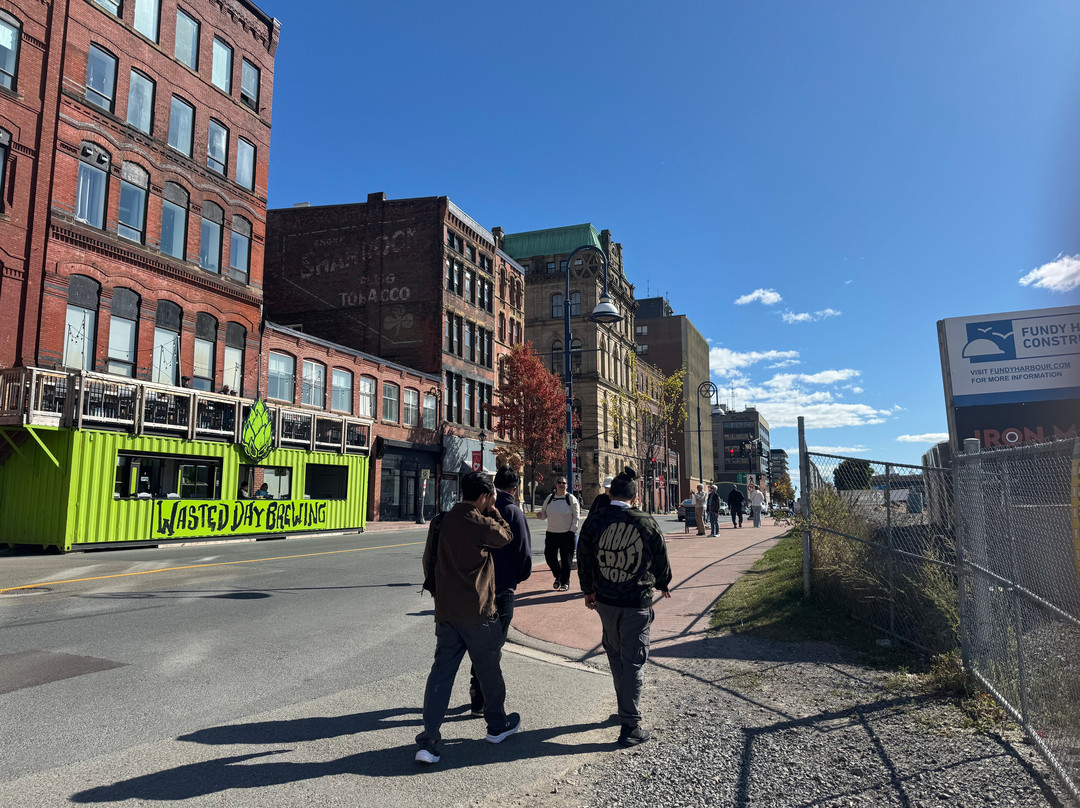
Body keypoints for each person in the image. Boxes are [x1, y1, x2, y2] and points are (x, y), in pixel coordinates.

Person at [415, 471, 521, 765]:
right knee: (489, 671)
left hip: (446, 612)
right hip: (477, 611)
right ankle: (496, 725)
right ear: (485, 497)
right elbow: (506, 536)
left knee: (441, 674)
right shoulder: (479, 521)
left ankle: (429, 739)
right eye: (490, 497)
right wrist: (495, 509)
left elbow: (428, 563)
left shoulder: (440, 521)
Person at [578, 466, 672, 747]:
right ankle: (630, 725)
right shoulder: (645, 520)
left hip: (605, 599)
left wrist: (588, 590)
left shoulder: (596, 519)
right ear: (634, 496)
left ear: (610, 493)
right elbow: (660, 555)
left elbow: (584, 557)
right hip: (636, 600)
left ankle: (624, 707)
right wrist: (663, 582)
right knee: (634, 660)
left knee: (616, 653)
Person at [468, 466, 533, 717]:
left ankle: (476, 691)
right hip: (503, 588)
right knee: (495, 645)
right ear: (514, 489)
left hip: (478, 587)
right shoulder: (514, 513)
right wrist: (517, 578)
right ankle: (484, 698)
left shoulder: (481, 510)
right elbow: (524, 554)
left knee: (480, 641)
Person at [538, 476, 581, 591]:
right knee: (549, 557)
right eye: (559, 483)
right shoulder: (550, 498)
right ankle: (558, 575)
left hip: (567, 533)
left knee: (566, 560)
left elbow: (576, 516)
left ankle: (565, 583)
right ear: (556, 485)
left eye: (564, 483)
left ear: (567, 486)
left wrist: (572, 530)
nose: (561, 484)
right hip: (551, 533)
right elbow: (544, 513)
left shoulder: (570, 498)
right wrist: (540, 516)